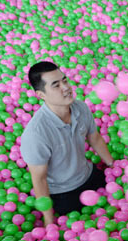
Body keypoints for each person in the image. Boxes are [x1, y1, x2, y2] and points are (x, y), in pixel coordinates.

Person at [20, 61, 115, 226]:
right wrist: (49, 222)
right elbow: (40, 179)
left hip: (88, 174)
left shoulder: (80, 108)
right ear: (41, 95)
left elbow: (95, 138)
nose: (66, 87)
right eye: (56, 85)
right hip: (64, 191)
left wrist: (113, 166)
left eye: (65, 80)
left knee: (116, 201)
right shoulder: (36, 134)